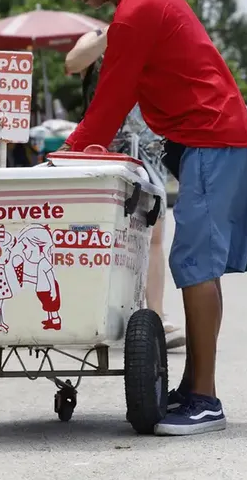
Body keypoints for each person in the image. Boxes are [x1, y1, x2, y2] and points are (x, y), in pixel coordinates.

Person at [37, 0, 247, 436]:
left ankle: (205, 400)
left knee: (194, 264)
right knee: (199, 265)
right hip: (212, 139)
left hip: (214, 139)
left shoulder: (136, 11)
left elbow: (111, 101)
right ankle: (195, 389)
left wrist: (61, 159)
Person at [64, 25, 185, 350]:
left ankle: (155, 316)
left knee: (155, 230)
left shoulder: (151, 44)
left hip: (145, 149)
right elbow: (73, 62)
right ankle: (92, 315)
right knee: (96, 233)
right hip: (102, 147)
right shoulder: (95, 36)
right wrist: (110, 35)